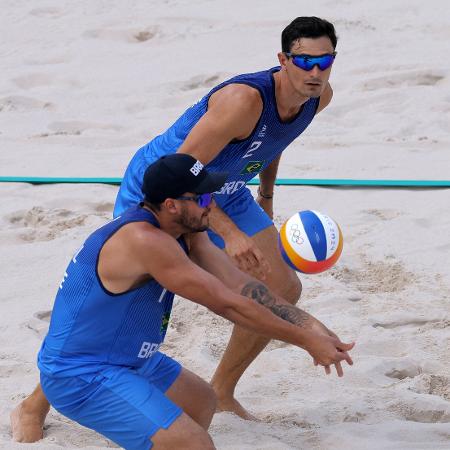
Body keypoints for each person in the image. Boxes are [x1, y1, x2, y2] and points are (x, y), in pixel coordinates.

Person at [11, 16, 341, 442]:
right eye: (305, 61)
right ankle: (37, 401)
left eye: (325, 60)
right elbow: (187, 174)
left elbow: (276, 142)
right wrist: (232, 234)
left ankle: (220, 391)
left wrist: (267, 197)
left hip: (226, 186)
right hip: (173, 187)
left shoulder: (319, 97)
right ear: (283, 60)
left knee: (283, 285)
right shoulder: (243, 101)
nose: (316, 71)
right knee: (123, 298)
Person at [30, 154, 354, 449]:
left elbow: (241, 286)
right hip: (82, 374)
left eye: (211, 195)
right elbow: (227, 305)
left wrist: (309, 323)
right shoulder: (145, 241)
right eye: (202, 198)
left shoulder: (187, 231)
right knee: (195, 445)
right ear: (171, 205)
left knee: (201, 402)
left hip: (129, 358)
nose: (210, 206)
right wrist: (306, 341)